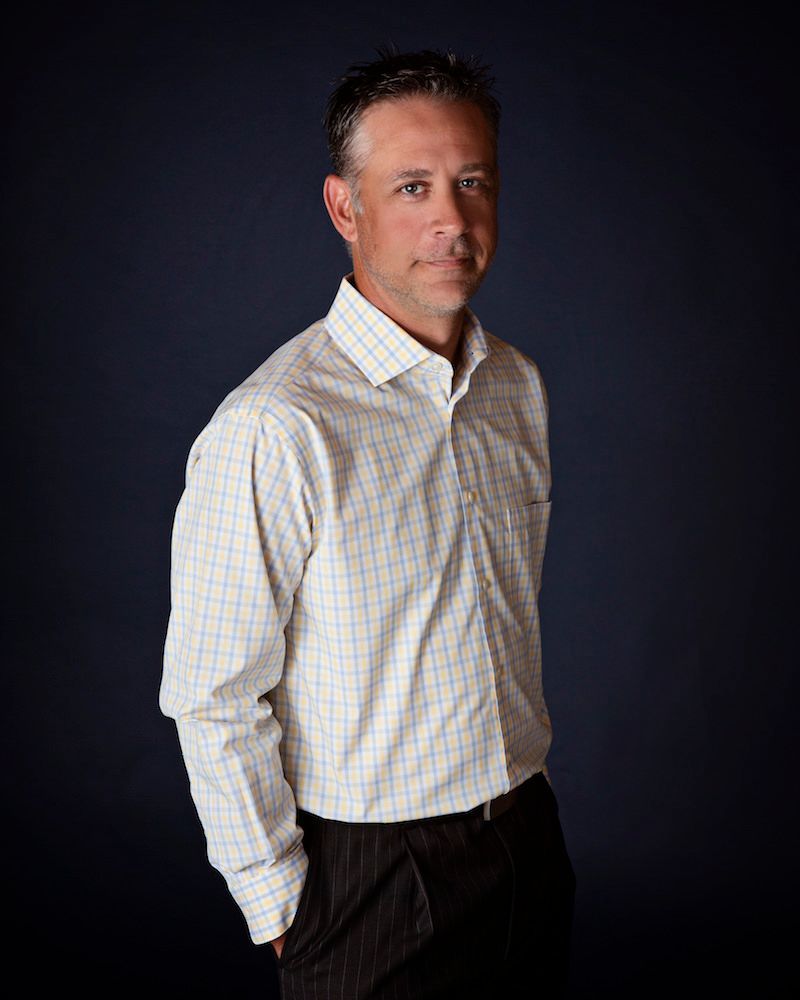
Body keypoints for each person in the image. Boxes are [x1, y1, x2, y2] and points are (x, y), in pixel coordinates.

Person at [159, 48, 576, 999]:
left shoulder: (516, 386)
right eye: (412, 186)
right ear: (346, 209)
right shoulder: (275, 426)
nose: (451, 219)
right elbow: (213, 696)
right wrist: (284, 912)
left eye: (473, 182)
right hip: (369, 879)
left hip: (526, 841)